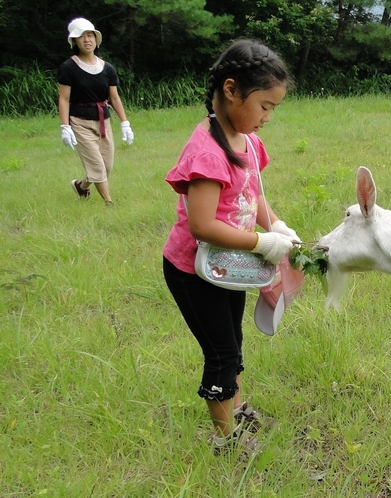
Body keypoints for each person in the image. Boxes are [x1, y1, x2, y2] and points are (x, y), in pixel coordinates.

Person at [161, 39, 301, 456]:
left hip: (228, 266)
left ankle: (236, 412)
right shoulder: (207, 151)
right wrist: (262, 241)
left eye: (273, 109)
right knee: (220, 352)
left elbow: (253, 193)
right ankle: (228, 442)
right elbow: (204, 226)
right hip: (193, 271)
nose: (267, 118)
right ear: (230, 89)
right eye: (264, 106)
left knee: (234, 343)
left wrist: (274, 223)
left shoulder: (248, 142)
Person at [57, 17, 134, 207]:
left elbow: (114, 97)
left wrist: (125, 123)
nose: (87, 40)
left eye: (90, 35)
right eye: (81, 37)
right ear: (75, 41)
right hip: (79, 120)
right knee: (97, 166)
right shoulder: (68, 68)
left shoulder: (107, 68)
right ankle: (109, 203)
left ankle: (81, 186)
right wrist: (65, 126)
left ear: (96, 39)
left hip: (102, 121)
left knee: (106, 166)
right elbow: (64, 98)